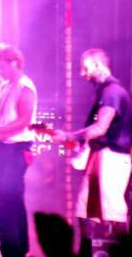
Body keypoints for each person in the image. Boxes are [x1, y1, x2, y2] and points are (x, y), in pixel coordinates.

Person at [53, 48, 132, 238]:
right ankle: (85, 252)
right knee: (84, 210)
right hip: (101, 157)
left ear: (98, 65)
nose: (82, 73)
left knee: (113, 211)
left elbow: (100, 128)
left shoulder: (112, 92)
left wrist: (69, 137)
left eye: (85, 68)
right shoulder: (106, 92)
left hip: (112, 158)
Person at [0, 43, 37, 257]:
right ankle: (12, 251)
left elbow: (24, 120)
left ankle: (16, 253)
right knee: (3, 199)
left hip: (17, 149)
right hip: (4, 149)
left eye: (0, 67)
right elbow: (5, 120)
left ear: (14, 63)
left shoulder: (25, 87)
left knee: (8, 198)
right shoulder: (5, 86)